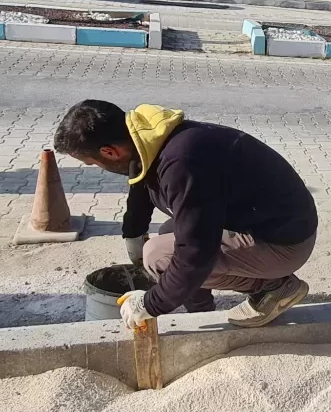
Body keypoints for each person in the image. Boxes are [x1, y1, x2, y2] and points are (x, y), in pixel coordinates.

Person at [53, 101, 317, 330]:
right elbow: (141, 181)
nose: (97, 168)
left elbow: (195, 252)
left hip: (284, 241)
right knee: (169, 232)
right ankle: (199, 312)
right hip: (265, 222)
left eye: (92, 163)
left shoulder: (182, 163)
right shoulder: (148, 137)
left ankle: (273, 287)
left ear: (110, 152)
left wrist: (151, 303)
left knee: (159, 256)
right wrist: (133, 232)